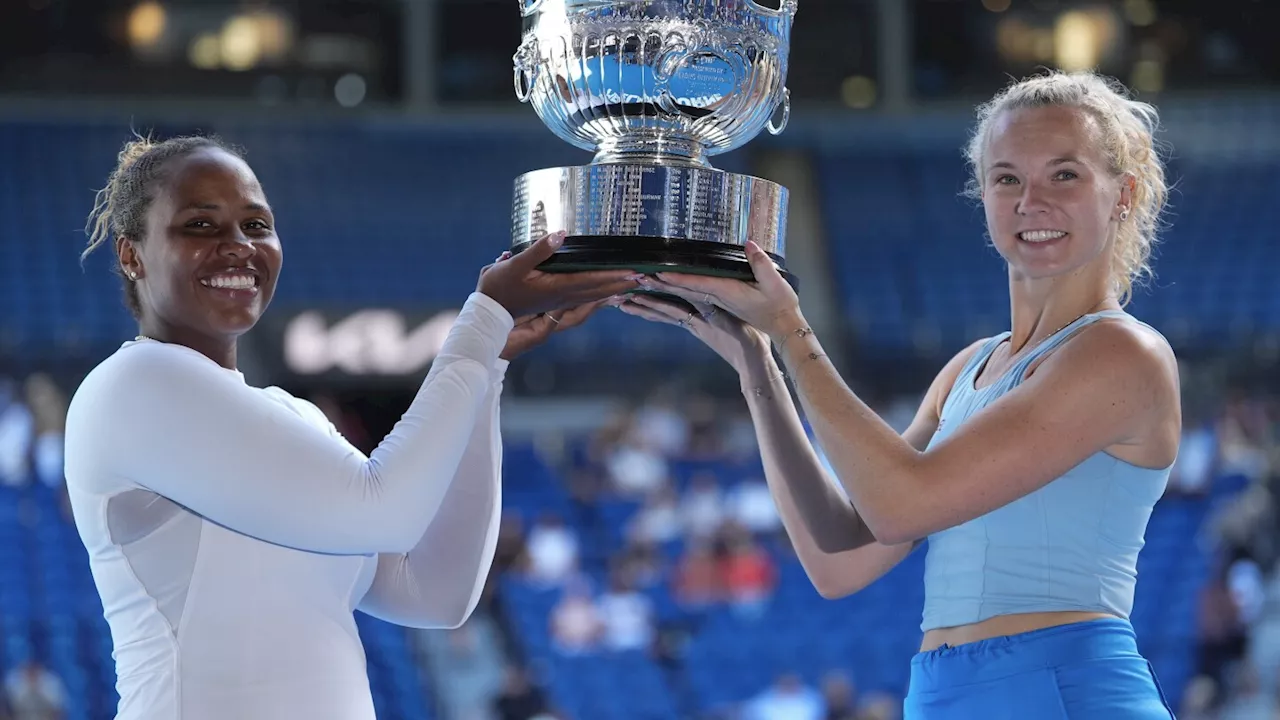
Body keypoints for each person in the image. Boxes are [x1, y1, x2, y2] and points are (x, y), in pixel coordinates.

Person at [620, 70, 1180, 718]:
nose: (1032, 200)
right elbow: (841, 561)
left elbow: (902, 506)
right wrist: (758, 362)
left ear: (1123, 195)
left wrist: (793, 330)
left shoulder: (1123, 355)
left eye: (1065, 175)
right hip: (941, 694)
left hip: (1062, 692)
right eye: (1007, 178)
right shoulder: (967, 369)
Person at [65, 134, 639, 720]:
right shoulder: (132, 384)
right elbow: (383, 508)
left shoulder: (296, 417)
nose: (238, 247)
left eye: (256, 225)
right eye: (200, 226)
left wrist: (487, 367)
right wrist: (480, 323)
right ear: (131, 254)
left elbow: (436, 592)